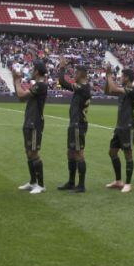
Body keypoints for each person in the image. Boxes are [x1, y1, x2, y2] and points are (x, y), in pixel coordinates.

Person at [14, 61, 48, 194]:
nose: (31, 71)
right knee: (28, 152)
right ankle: (33, 181)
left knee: (33, 153)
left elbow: (21, 95)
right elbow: (21, 98)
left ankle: (41, 185)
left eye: (33, 69)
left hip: (35, 123)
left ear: (37, 72)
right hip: (29, 121)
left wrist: (17, 82)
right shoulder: (36, 86)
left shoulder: (41, 85)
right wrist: (15, 81)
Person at [57, 64, 91, 193]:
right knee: (70, 152)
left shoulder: (83, 87)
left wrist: (62, 68)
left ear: (81, 74)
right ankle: (71, 182)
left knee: (78, 153)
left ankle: (81, 185)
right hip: (74, 124)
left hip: (79, 124)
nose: (74, 75)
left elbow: (63, 83)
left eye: (76, 73)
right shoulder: (82, 88)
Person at [104, 66, 134, 193]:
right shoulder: (124, 89)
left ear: (127, 78)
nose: (120, 77)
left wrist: (108, 74)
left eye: (122, 76)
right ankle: (118, 181)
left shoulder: (131, 89)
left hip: (128, 126)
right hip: (120, 126)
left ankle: (128, 184)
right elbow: (108, 91)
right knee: (112, 152)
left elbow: (112, 88)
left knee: (128, 153)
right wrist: (107, 78)